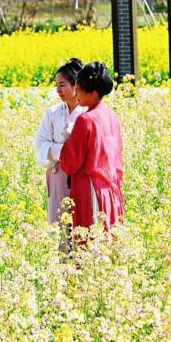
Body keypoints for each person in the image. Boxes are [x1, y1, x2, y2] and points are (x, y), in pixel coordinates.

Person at [59, 62, 125, 231]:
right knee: (108, 241)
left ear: (93, 93)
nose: (76, 93)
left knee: (90, 245)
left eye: (79, 90)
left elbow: (70, 163)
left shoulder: (85, 120)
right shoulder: (112, 115)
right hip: (111, 189)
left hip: (89, 190)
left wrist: (67, 138)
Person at [35, 58, 87, 225]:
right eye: (56, 85)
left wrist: (63, 150)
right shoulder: (53, 112)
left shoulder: (87, 111)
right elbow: (41, 143)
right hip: (58, 174)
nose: (58, 90)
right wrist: (64, 151)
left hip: (82, 174)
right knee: (60, 225)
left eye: (62, 84)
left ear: (75, 85)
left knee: (82, 224)